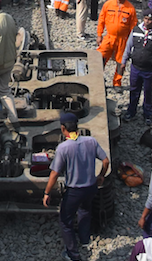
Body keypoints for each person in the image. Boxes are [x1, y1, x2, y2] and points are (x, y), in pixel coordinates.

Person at [44, 111, 109, 261]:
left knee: (65, 221)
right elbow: (105, 161)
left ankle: (73, 254)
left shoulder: (63, 148)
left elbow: (54, 173)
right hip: (91, 187)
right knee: (85, 211)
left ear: (63, 128)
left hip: (74, 191)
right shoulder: (91, 141)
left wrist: (47, 192)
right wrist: (101, 176)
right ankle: (84, 239)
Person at [119, 13, 152, 121]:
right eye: (145, 18)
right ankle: (131, 112)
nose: (147, 21)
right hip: (135, 67)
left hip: (150, 69)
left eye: (150, 19)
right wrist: (123, 62)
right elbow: (128, 47)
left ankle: (148, 113)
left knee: (148, 92)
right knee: (134, 90)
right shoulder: (136, 30)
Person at [97, 0, 139, 88]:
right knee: (100, 57)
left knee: (121, 62)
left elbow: (133, 27)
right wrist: (99, 35)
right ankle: (97, 79)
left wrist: (132, 42)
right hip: (109, 37)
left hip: (123, 40)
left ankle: (117, 82)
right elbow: (101, 20)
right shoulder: (108, 4)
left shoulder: (130, 8)